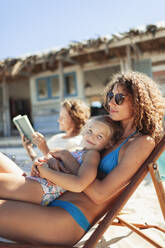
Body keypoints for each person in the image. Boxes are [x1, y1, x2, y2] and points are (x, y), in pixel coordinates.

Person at [0, 71, 164, 245]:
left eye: (119, 98)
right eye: (110, 96)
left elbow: (99, 195)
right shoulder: (111, 130)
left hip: (66, 217)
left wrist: (66, 159)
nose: (111, 102)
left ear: (138, 101)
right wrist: (54, 160)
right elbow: (81, 158)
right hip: (51, 195)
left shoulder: (140, 142)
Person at [0, 116, 122, 206]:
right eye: (90, 131)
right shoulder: (77, 150)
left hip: (42, 189)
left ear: (109, 143)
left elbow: (79, 184)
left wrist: (45, 172)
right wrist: (42, 162)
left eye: (99, 136)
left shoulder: (92, 155)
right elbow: (52, 160)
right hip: (37, 182)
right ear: (84, 131)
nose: (91, 137)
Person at [23, 98, 90, 161]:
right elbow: (38, 161)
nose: (59, 120)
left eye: (63, 117)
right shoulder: (57, 137)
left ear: (75, 119)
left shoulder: (77, 143)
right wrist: (29, 149)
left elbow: (61, 169)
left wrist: (45, 150)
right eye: (59, 116)